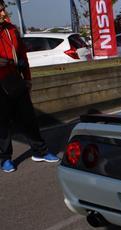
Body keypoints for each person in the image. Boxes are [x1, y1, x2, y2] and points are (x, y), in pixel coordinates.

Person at [0, 0, 59, 173]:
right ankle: (5, 159)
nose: (4, 13)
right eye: (0, 11)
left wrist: (28, 78)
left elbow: (22, 55)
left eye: (3, 9)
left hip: (16, 81)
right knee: (3, 123)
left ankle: (40, 151)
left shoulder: (11, 29)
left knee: (29, 118)